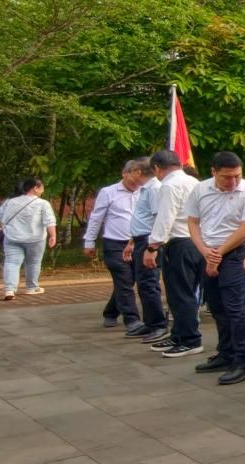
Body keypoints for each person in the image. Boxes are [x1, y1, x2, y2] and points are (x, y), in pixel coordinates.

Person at [184, 152, 245, 385]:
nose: (233, 182)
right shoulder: (200, 189)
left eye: (237, 176)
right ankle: (226, 353)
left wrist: (218, 254)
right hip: (207, 251)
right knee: (216, 306)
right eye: (227, 177)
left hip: (235, 252)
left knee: (235, 308)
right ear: (213, 172)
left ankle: (244, 361)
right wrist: (205, 251)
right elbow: (193, 222)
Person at [145, 150, 203, 357]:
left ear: (157, 169)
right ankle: (179, 334)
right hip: (197, 242)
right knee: (186, 292)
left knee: (180, 294)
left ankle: (190, 339)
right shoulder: (195, 182)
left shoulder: (169, 185)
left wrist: (152, 247)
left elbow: (165, 217)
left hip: (180, 243)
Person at [85, 158, 150, 332]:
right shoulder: (108, 192)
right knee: (124, 280)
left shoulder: (146, 191)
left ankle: (111, 311)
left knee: (130, 280)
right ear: (124, 173)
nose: (136, 183)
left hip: (139, 243)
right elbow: (96, 217)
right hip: (115, 244)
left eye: (139, 180)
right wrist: (89, 241)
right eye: (133, 179)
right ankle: (132, 320)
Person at [123, 154, 168, 344]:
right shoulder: (146, 188)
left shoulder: (154, 189)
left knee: (149, 283)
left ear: (137, 171)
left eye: (131, 171)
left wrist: (153, 247)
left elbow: (159, 218)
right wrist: (133, 242)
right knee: (143, 283)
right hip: (141, 239)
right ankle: (150, 322)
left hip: (149, 240)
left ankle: (158, 324)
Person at [0, 178, 57, 301]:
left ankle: (9, 290)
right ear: (35, 188)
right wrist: (53, 235)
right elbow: (49, 221)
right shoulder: (43, 203)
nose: (43, 189)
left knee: (11, 263)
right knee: (33, 263)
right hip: (35, 239)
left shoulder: (10, 201)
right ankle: (32, 287)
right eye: (42, 187)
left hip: (12, 237)